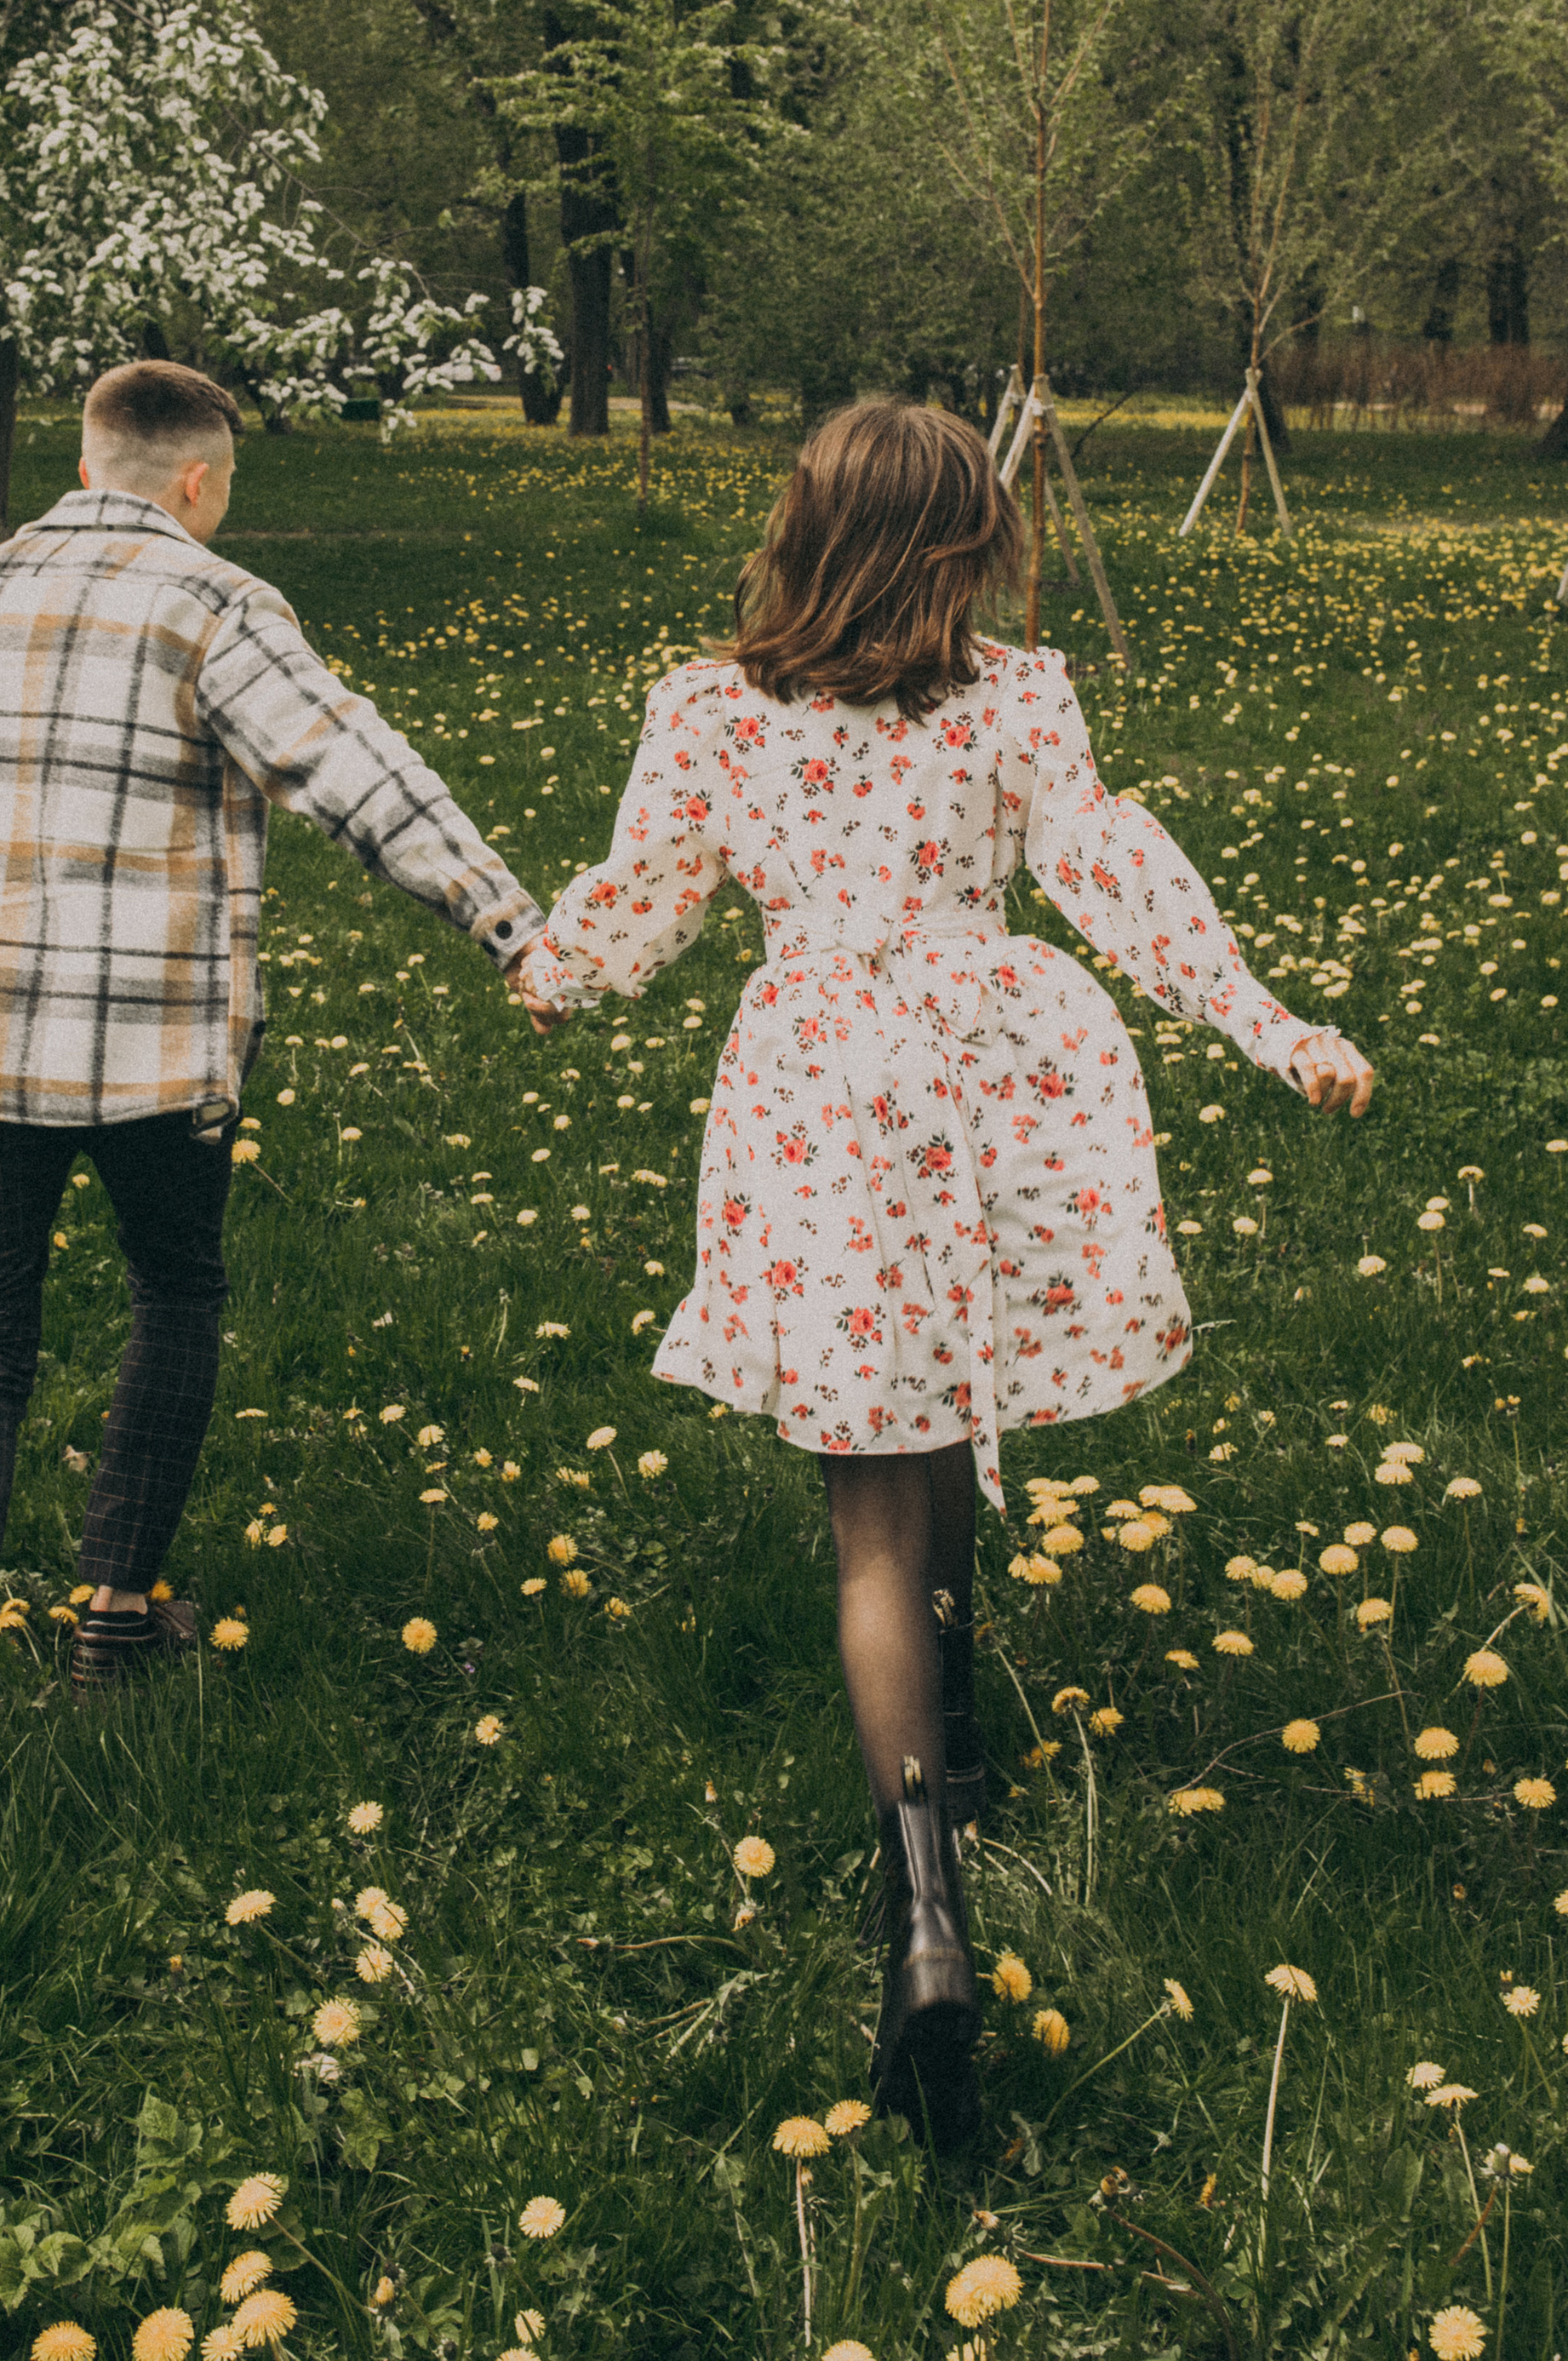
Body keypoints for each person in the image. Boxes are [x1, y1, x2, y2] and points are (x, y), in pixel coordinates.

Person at [512, 399, 1372, 2147]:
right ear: (953, 546)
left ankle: (923, 1904)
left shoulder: (707, 706)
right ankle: (958, 1749)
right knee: (950, 1388)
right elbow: (1113, 873)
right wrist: (1266, 1026)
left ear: (803, 532)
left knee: (873, 1499)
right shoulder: (1016, 695)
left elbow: (647, 899)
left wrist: (554, 966)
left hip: (820, 1081)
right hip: (992, 1067)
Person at [0, 359, 545, 1884]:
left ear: (88, 461)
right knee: (175, 1291)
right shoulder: (212, 602)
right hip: (146, 1049)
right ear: (197, 481)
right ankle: (116, 1615)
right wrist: (514, 928)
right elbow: (358, 777)